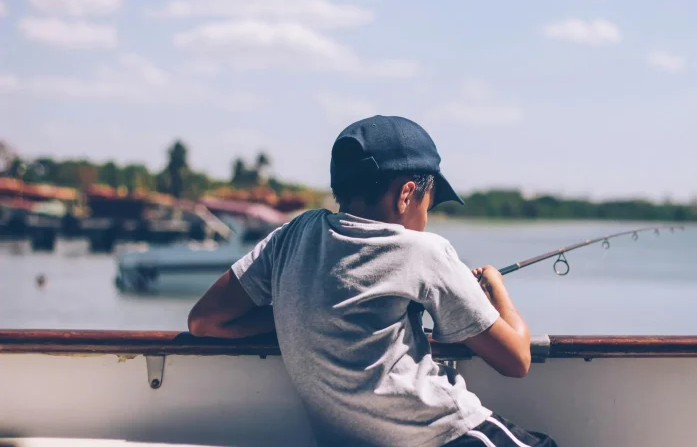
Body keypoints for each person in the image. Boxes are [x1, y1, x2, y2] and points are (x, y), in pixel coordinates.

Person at [188, 116, 557, 447]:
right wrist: (496, 289)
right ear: (406, 194)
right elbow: (516, 359)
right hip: (441, 434)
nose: (426, 220)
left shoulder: (291, 236)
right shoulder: (423, 250)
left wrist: (299, 318)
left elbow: (205, 321)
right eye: (428, 205)